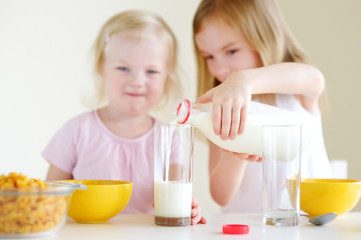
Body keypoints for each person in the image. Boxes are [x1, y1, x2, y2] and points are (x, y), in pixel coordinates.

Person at [43, 10, 206, 224]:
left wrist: (188, 208)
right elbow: (48, 199)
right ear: (101, 68)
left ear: (167, 77)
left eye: (151, 72)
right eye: (123, 68)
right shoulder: (77, 131)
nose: (137, 80)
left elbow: (177, 197)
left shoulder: (171, 139)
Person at [192, 0, 332, 212]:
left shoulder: (294, 92)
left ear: (263, 37)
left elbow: (315, 80)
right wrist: (237, 148)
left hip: (307, 224)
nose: (219, 67)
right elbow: (221, 196)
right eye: (209, 56)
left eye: (231, 51)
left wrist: (244, 80)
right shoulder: (220, 108)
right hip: (250, 228)